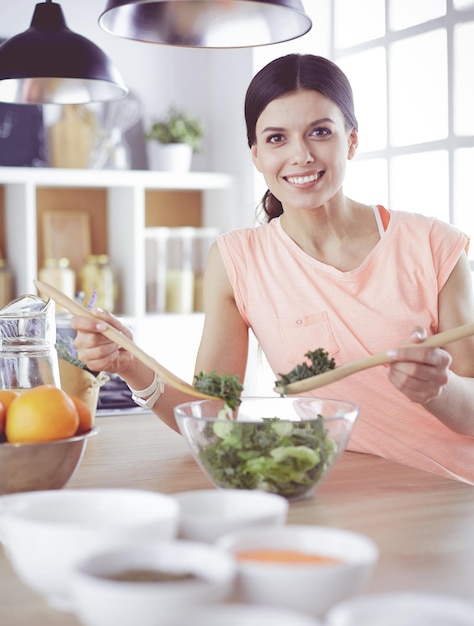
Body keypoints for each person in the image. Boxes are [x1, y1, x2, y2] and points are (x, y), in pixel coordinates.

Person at [71, 53, 474, 484]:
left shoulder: (434, 244)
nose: (300, 155)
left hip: (454, 489)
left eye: (320, 132)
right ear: (257, 155)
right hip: (345, 491)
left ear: (351, 141)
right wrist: (130, 364)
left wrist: (438, 388)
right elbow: (213, 416)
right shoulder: (237, 260)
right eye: (277, 138)